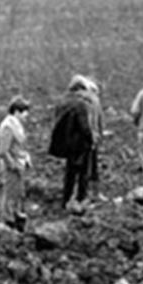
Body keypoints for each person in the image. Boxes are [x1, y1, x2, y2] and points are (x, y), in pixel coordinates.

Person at [49, 75, 104, 213]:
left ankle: (66, 200)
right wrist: (92, 139)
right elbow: (84, 126)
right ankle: (81, 200)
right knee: (83, 173)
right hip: (81, 144)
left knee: (70, 173)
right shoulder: (81, 104)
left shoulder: (62, 102)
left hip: (66, 144)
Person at [0, 95, 31, 231]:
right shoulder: (8, 127)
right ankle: (8, 221)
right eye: (25, 112)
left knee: (18, 193)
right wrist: (13, 165)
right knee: (10, 194)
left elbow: (19, 146)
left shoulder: (16, 125)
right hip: (12, 168)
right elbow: (3, 151)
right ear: (16, 111)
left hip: (19, 165)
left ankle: (16, 216)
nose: (27, 115)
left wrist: (25, 158)